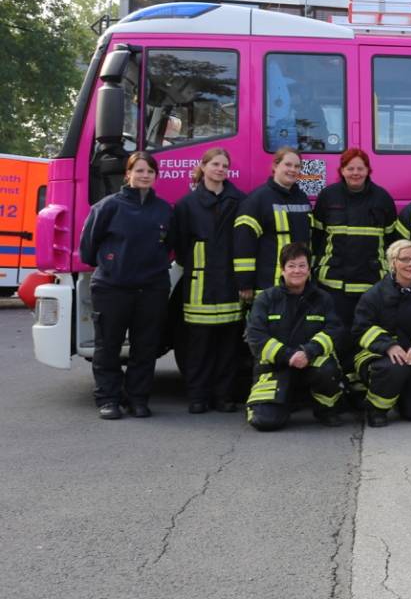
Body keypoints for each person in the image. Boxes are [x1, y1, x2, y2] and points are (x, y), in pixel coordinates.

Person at [79, 151, 176, 420]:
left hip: (152, 289)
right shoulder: (108, 206)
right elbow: (88, 248)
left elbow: (169, 246)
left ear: (156, 176)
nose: (145, 175)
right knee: (108, 347)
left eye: (150, 172)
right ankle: (108, 399)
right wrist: (112, 264)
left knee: (145, 347)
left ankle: (138, 399)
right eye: (140, 170)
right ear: (128, 174)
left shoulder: (164, 210)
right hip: (112, 288)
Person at [312, 148, 398, 404]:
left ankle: (360, 389)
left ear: (368, 171)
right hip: (334, 285)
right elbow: (317, 238)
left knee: (366, 338)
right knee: (338, 338)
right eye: (350, 168)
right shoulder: (328, 196)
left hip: (371, 286)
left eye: (360, 168)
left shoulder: (382, 198)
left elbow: (393, 240)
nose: (355, 173)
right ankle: (336, 389)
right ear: (342, 171)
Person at [173, 147, 246, 414]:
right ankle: (198, 397)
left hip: (229, 283)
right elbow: (180, 246)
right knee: (198, 347)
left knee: (229, 347)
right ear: (203, 167)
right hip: (199, 285)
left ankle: (223, 397)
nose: (220, 169)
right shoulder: (186, 205)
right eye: (215, 164)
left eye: (224, 166)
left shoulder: (238, 200)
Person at [244, 242, 345, 430]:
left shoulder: (323, 298)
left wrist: (308, 352)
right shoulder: (266, 299)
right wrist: (289, 355)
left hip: (310, 361)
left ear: (309, 270)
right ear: (282, 270)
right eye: (291, 266)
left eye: (302, 265)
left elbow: (334, 330)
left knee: (327, 370)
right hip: (276, 365)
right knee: (265, 422)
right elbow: (256, 337)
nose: (297, 271)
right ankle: (282, 402)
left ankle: (326, 409)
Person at [351, 239, 411, 427]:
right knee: (394, 368)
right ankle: (375, 408)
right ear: (393, 262)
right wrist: (388, 346)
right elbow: (361, 328)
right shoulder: (374, 295)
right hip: (378, 357)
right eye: (405, 259)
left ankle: (397, 396)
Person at [233, 147, 312, 301]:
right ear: (275, 166)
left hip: (299, 286)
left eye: (297, 166)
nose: (292, 170)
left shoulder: (302, 198)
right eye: (288, 165)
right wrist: (245, 283)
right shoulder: (258, 199)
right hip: (268, 285)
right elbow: (244, 244)